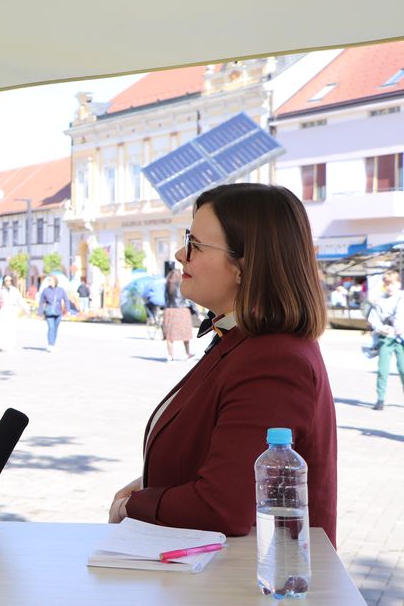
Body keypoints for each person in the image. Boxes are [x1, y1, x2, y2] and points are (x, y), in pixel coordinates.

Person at [108, 184, 337, 544]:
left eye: (196, 245)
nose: (181, 254)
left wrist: (134, 506)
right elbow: (223, 463)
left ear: (245, 265)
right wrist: (153, 487)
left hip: (255, 575)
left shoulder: (273, 359)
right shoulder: (246, 340)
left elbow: (222, 505)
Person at [366, 270, 404, 411]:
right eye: (387, 284)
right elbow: (373, 320)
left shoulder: (402, 298)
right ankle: (380, 399)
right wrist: (381, 328)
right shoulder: (380, 301)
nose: (389, 287)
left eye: (392, 284)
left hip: (401, 339)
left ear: (398, 283)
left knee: (403, 369)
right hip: (386, 338)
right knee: (383, 370)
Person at [162, 268, 194, 362]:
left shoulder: (167, 284)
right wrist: (197, 313)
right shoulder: (182, 284)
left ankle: (170, 355)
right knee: (185, 334)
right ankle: (188, 353)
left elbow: (165, 298)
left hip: (169, 311)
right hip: (182, 310)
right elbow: (189, 298)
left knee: (169, 336)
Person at [38, 275, 67, 352]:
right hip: (49, 312)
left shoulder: (61, 290)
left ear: (55, 281)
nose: (49, 282)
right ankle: (50, 344)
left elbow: (66, 299)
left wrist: (68, 309)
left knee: (55, 329)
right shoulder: (45, 290)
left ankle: (53, 343)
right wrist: (40, 312)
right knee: (51, 328)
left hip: (58, 312)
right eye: (48, 280)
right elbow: (41, 301)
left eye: (50, 280)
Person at [0, 274, 23, 352]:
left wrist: (26, 309)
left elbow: (20, 300)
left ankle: (10, 345)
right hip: (4, 309)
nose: (8, 282)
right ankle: (0, 345)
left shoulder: (15, 290)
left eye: (10, 280)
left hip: (12, 309)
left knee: (12, 328)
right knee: (2, 328)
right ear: (4, 281)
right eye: (6, 280)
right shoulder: (1, 290)